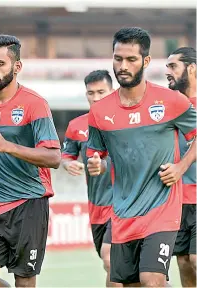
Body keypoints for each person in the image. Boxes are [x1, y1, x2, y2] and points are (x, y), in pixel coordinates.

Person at [86, 27, 196, 287]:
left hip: (162, 209)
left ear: (145, 61)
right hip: (123, 213)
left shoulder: (172, 101)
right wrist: (95, 164)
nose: (123, 66)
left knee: (152, 279)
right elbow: (97, 154)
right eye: (118, 59)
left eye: (131, 59)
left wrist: (181, 166)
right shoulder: (100, 112)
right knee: (132, 284)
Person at [0, 34, 61, 288]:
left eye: (0, 64)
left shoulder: (35, 104)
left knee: (25, 280)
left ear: (17, 67)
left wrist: (7, 146)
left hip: (28, 204)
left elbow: (54, 157)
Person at [62, 70, 120, 287]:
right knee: (125, 274)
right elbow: (65, 157)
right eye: (91, 93)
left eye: (101, 92)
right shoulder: (77, 126)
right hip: (97, 207)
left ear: (112, 92)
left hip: (125, 204)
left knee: (110, 259)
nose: (96, 98)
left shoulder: (125, 121)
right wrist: (69, 165)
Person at [166, 47, 196, 287]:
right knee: (184, 262)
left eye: (173, 66)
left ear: (192, 68)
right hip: (176, 200)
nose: (168, 72)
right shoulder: (169, 107)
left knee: (195, 259)